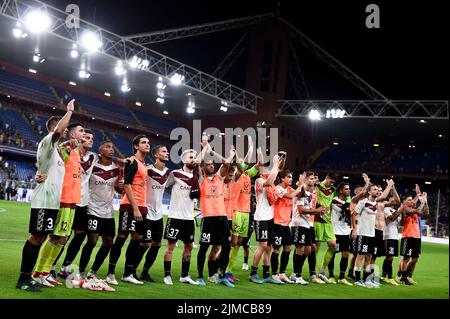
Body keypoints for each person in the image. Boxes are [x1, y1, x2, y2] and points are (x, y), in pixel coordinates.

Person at [15, 99, 74, 292]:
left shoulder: (55, 150)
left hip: (51, 203)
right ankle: (23, 279)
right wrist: (69, 112)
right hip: (43, 201)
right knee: (35, 237)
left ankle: (30, 277)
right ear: (55, 128)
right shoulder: (48, 141)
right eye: (64, 129)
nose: (65, 131)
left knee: (40, 238)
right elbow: (57, 132)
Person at [32, 121, 86, 286]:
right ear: (72, 134)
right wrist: (40, 173)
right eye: (81, 131)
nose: (84, 134)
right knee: (55, 237)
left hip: (73, 201)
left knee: (62, 240)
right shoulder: (64, 150)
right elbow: (49, 161)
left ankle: (46, 272)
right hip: (63, 199)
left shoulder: (77, 154)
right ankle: (38, 273)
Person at [106, 135, 150, 285]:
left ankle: (127, 273)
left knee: (137, 239)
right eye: (143, 142)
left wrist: (140, 208)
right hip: (130, 206)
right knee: (122, 237)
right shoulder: (132, 162)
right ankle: (110, 273)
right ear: (136, 146)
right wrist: (135, 208)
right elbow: (127, 185)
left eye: (148, 142)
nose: (147, 144)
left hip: (142, 206)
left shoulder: (144, 165)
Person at [77, 140, 121, 286]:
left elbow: (120, 189)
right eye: (108, 147)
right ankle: (81, 270)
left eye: (113, 147)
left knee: (109, 242)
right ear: (100, 150)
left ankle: (93, 270)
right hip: (92, 209)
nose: (111, 150)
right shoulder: (93, 166)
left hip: (108, 212)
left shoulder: (116, 169)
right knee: (92, 240)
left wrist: (120, 187)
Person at [57, 129, 96, 280]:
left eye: (92, 138)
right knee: (62, 236)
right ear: (78, 138)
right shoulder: (69, 151)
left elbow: (110, 159)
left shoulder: (94, 157)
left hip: (83, 203)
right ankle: (50, 267)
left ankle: (65, 267)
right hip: (67, 199)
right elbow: (57, 152)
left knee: (79, 235)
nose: (90, 139)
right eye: (86, 137)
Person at [196, 144, 235, 287]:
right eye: (208, 164)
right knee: (204, 247)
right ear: (204, 167)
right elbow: (196, 162)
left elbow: (227, 163)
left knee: (226, 247)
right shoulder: (201, 179)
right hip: (208, 218)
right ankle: (200, 276)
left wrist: (213, 151)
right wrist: (205, 149)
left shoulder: (219, 178)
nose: (211, 165)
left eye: (212, 164)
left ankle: (221, 275)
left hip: (222, 218)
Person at [162, 149, 201, 286]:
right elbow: (165, 187)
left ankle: (184, 276)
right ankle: (167, 275)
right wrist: (175, 196)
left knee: (189, 246)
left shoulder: (196, 178)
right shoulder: (175, 174)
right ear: (184, 160)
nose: (194, 159)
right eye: (191, 157)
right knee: (170, 246)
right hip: (175, 217)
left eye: (195, 157)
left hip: (189, 218)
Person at [135, 145, 171, 282]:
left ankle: (145, 272)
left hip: (159, 215)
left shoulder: (169, 173)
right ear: (156, 155)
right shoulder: (147, 170)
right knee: (145, 244)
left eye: (167, 151)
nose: (166, 153)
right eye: (163, 151)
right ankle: (131, 270)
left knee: (156, 244)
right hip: (147, 213)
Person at [249, 154, 282, 284]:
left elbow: (275, 175)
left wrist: (279, 163)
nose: (271, 172)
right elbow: (269, 181)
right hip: (261, 217)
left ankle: (267, 274)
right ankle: (253, 273)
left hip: (270, 218)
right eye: (268, 169)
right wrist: (275, 165)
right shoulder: (259, 181)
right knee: (262, 246)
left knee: (268, 247)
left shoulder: (272, 183)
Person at [290, 172, 327, 285]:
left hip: (306, 224)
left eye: (314, 178)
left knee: (309, 249)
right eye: (311, 178)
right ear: (305, 180)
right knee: (300, 249)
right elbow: (301, 211)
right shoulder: (301, 193)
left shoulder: (309, 193)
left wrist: (319, 211)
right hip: (299, 223)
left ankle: (295, 274)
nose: (314, 180)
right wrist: (317, 211)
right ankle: (297, 275)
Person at [271, 169, 304, 284]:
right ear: (282, 178)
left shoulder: (290, 189)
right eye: (289, 177)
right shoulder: (278, 188)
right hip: (277, 223)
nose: (291, 179)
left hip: (286, 224)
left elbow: (302, 194)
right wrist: (301, 186)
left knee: (288, 248)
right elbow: (290, 196)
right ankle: (274, 274)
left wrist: (301, 183)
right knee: (276, 249)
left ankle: (282, 273)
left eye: (291, 177)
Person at [399, 191, 429, 285]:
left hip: (416, 237)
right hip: (407, 236)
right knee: (406, 258)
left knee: (415, 259)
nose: (411, 201)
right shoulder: (405, 209)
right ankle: (403, 277)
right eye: (409, 200)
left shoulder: (415, 209)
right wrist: (422, 202)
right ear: (404, 202)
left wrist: (426, 201)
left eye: (412, 200)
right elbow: (414, 211)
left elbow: (426, 213)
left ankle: (406, 276)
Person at [314, 173, 339, 284]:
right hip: (317, 219)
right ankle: (313, 272)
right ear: (327, 178)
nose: (332, 184)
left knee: (333, 245)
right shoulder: (317, 186)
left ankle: (322, 270)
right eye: (331, 181)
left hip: (328, 221)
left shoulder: (333, 190)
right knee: (316, 246)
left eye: (333, 182)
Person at [330, 182, 353, 286]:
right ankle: (330, 276)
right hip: (335, 231)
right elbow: (343, 209)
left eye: (349, 189)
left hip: (345, 232)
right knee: (333, 253)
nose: (348, 190)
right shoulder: (335, 201)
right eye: (346, 189)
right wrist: (349, 205)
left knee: (346, 254)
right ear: (340, 191)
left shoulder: (349, 202)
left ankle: (342, 277)